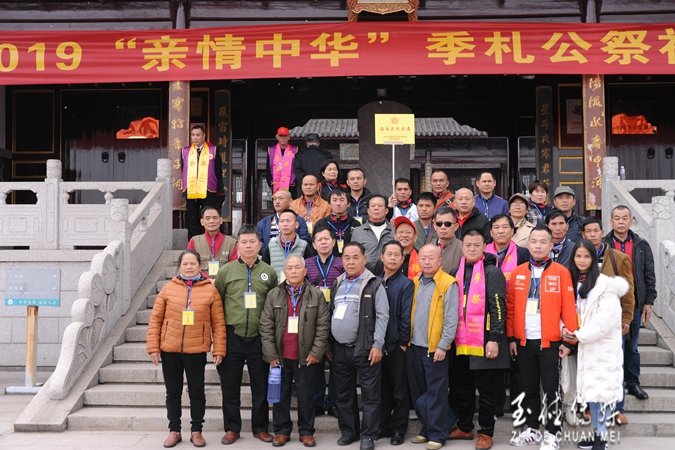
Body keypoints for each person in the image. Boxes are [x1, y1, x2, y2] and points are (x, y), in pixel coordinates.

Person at [507, 225, 578, 450]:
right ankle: (532, 428)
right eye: (534, 241)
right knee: (528, 387)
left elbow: (569, 308)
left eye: (543, 242)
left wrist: (569, 341)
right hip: (524, 341)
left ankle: (553, 432)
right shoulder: (518, 272)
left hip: (551, 341)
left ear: (551, 245)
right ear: (528, 244)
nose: (538, 246)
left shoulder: (561, 272)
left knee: (551, 388)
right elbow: (511, 308)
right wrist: (511, 338)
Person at [147, 250, 226, 448]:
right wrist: (153, 347)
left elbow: (218, 323)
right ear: (179, 267)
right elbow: (155, 319)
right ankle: (174, 430)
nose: (189, 267)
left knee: (197, 392)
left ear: (200, 266)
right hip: (170, 349)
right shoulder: (168, 288)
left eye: (193, 263)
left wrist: (219, 349)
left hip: (196, 350)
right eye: (185, 263)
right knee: (172, 392)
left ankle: (196, 431)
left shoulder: (210, 290)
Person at [214, 225, 278, 445]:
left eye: (252, 242)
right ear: (237, 245)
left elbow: (274, 305)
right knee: (230, 386)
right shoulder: (226, 272)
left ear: (260, 245)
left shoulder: (269, 272)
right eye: (244, 242)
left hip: (259, 338)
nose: (248, 246)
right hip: (233, 336)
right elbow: (217, 306)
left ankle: (260, 427)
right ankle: (232, 428)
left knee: (260, 385)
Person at [561, 240, 628, 450]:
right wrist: (564, 329)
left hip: (601, 347)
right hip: (581, 344)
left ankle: (602, 437)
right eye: (578, 256)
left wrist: (578, 335)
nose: (582, 260)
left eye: (586, 256)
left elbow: (605, 320)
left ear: (593, 258)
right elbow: (563, 310)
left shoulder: (605, 284)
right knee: (592, 393)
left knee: (602, 394)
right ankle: (597, 433)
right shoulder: (571, 281)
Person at [260, 255, 330, 448]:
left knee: (306, 396)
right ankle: (282, 431)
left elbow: (323, 325)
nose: (293, 271)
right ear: (284, 271)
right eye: (289, 268)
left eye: (297, 267)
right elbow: (265, 325)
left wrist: (316, 352)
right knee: (280, 396)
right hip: (280, 356)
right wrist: (270, 354)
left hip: (306, 356)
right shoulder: (274, 294)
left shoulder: (316, 294)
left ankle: (306, 432)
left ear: (305, 271)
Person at [448, 230, 508, 450]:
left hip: (484, 340)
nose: (472, 249)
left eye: (476, 245)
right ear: (462, 247)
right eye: (468, 245)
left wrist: (495, 338)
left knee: (486, 390)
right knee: (461, 387)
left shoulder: (492, 272)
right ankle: (465, 426)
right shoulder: (456, 272)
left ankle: (486, 431)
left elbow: (498, 307)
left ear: (484, 247)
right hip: (460, 341)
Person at [330, 242, 389, 450]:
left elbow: (383, 316)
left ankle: (369, 436)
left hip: (365, 349)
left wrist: (378, 344)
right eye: (347, 257)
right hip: (340, 349)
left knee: (370, 396)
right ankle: (349, 431)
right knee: (343, 394)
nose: (351, 261)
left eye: (356, 257)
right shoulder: (338, 282)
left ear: (364, 259)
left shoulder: (374, 283)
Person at [407, 244, 459, 450]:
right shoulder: (415, 282)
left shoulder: (448, 283)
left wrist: (443, 345)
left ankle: (438, 433)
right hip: (414, 346)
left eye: (431, 258)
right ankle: (427, 428)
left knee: (435, 392)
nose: (427, 262)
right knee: (419, 392)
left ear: (440, 261)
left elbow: (451, 319)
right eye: (423, 258)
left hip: (435, 348)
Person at [604, 205, 657, 406]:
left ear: (631, 220)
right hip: (609, 304)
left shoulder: (641, 245)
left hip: (633, 302)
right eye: (617, 218)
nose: (620, 221)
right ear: (611, 221)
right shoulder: (604, 244)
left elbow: (649, 274)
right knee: (612, 346)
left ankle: (633, 382)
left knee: (632, 346)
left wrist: (649, 302)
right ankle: (613, 384)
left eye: (624, 218)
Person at [485, 214, 529, 416]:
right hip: (491, 314)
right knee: (494, 363)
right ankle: (496, 406)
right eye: (496, 227)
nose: (501, 231)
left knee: (518, 362)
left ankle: (518, 407)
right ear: (491, 231)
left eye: (505, 227)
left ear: (513, 231)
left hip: (517, 311)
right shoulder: (484, 252)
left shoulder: (522, 253)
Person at [305, 226, 344, 418]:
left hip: (338, 317)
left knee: (337, 364)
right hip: (314, 320)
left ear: (334, 242)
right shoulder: (307, 264)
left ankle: (334, 402)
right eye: (319, 239)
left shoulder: (341, 263)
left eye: (327, 239)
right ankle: (317, 401)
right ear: (313, 244)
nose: (323, 242)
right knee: (316, 362)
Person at [378, 241, 414, 446]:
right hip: (377, 345)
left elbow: (406, 315)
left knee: (399, 390)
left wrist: (403, 341)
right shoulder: (375, 281)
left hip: (396, 345)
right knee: (381, 388)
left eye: (396, 255)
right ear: (381, 257)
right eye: (389, 254)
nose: (392, 258)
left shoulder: (406, 284)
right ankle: (382, 426)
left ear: (402, 259)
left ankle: (399, 429)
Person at [181, 124, 224, 239]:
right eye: (193, 135)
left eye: (198, 135)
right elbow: (183, 169)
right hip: (191, 190)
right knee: (192, 217)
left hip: (208, 189)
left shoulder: (213, 150)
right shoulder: (185, 151)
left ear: (204, 136)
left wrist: (220, 192)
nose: (195, 138)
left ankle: (210, 241)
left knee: (208, 216)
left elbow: (218, 172)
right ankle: (193, 242)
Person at [187, 206, 238, 278]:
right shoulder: (194, 241)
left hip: (224, 282)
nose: (211, 221)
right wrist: (207, 281)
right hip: (200, 282)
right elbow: (190, 265)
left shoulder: (231, 243)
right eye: (207, 218)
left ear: (221, 220)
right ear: (202, 221)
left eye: (215, 218)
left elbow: (234, 268)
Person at [261, 209, 312, 280]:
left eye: (288, 221)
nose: (285, 224)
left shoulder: (304, 246)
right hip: (276, 286)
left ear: (296, 225)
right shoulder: (271, 246)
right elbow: (264, 271)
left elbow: (309, 271)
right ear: (278, 224)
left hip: (297, 285)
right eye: (282, 221)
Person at [257, 189, 311, 254]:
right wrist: (271, 253)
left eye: (280, 198)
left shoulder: (299, 220)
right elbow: (259, 244)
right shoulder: (263, 223)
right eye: (274, 199)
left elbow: (305, 241)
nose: (277, 201)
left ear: (290, 201)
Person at [351, 195, 394, 273]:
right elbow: (354, 256)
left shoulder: (394, 231)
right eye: (373, 206)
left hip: (390, 274)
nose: (376, 208)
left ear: (386, 211)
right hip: (364, 275)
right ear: (368, 210)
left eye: (380, 206)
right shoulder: (358, 232)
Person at [314, 189, 362, 256]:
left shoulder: (355, 224)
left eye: (342, 200)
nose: (338, 203)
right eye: (334, 200)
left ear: (348, 204)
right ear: (329, 204)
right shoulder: (321, 224)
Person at [293, 133, 332, 198]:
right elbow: (328, 171)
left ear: (307, 143)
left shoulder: (299, 155)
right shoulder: (326, 155)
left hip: (305, 188)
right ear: (318, 143)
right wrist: (320, 182)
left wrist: (307, 183)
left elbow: (298, 172)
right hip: (322, 187)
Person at [266, 126, 298, 193]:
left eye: (285, 136)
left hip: (291, 185)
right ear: (277, 137)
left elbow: (297, 167)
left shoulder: (295, 150)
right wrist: (270, 181)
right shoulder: (271, 150)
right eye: (281, 136)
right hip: (276, 185)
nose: (283, 138)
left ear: (289, 137)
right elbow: (268, 168)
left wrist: (295, 181)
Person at [432, 206, 462, 274]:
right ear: (435, 226)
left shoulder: (463, 249)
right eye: (439, 224)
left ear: (456, 226)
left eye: (447, 224)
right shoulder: (428, 248)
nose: (443, 227)